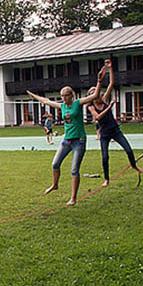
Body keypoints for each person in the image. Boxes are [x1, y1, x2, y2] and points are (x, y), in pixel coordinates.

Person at [26, 64, 107, 206]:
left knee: (74, 169)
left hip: (79, 141)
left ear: (71, 95)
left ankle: (73, 198)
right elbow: (46, 101)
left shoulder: (78, 103)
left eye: (66, 95)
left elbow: (94, 95)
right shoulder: (62, 106)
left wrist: (99, 81)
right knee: (55, 164)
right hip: (67, 140)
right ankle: (55, 185)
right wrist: (33, 95)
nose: (63, 98)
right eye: (62, 96)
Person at [87, 60, 143, 187]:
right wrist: (110, 107)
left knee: (128, 150)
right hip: (104, 134)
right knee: (105, 157)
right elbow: (98, 117)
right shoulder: (91, 107)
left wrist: (110, 68)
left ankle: (134, 166)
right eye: (91, 93)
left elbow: (112, 83)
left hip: (115, 131)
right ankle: (106, 179)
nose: (94, 94)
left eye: (94, 92)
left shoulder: (105, 99)